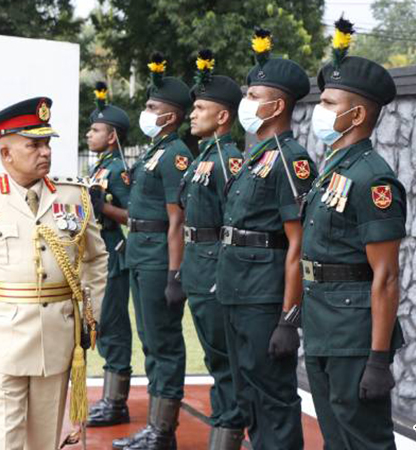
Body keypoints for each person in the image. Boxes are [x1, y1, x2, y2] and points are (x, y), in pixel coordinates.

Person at [0, 97, 108, 450]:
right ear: (6, 154)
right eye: (33, 145)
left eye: (47, 143)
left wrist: (90, 318)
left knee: (44, 440)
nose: (45, 152)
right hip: (1, 339)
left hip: (58, 336)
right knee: (2, 439)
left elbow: (96, 259)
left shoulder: (74, 194)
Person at [301, 18, 406, 450]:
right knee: (336, 438)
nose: (319, 110)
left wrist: (378, 359)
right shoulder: (331, 171)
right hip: (322, 324)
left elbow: (386, 276)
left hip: (352, 333)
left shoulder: (372, 178)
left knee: (364, 440)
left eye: (329, 102)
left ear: (357, 114)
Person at [216, 29, 317, 450]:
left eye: (254, 95)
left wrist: (288, 318)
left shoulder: (292, 160)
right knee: (248, 393)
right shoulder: (256, 155)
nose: (246, 103)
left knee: (273, 395)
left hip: (263, 296)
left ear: (276, 106)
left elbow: (298, 243)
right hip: (237, 290)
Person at [112, 53, 193, 450]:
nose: (144, 113)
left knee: (164, 342)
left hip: (160, 257)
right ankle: (155, 427)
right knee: (149, 340)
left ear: (170, 116)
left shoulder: (176, 154)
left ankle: (163, 431)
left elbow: (177, 219)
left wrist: (175, 275)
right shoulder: (153, 151)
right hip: (140, 253)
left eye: (150, 107)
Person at [177, 49, 245, 450]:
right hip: (197, 268)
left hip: (214, 271)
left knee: (224, 361)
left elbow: (230, 225)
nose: (192, 114)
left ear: (222, 116)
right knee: (214, 357)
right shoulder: (203, 157)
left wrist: (222, 275)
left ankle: (227, 435)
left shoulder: (228, 160)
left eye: (200, 108)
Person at [85, 82, 135, 427]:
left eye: (96, 130)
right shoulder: (100, 167)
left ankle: (116, 402)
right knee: (100, 325)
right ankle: (109, 397)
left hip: (112, 254)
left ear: (112, 136)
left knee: (114, 324)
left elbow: (134, 215)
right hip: (95, 254)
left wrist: (103, 207)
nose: (89, 134)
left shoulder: (118, 170)